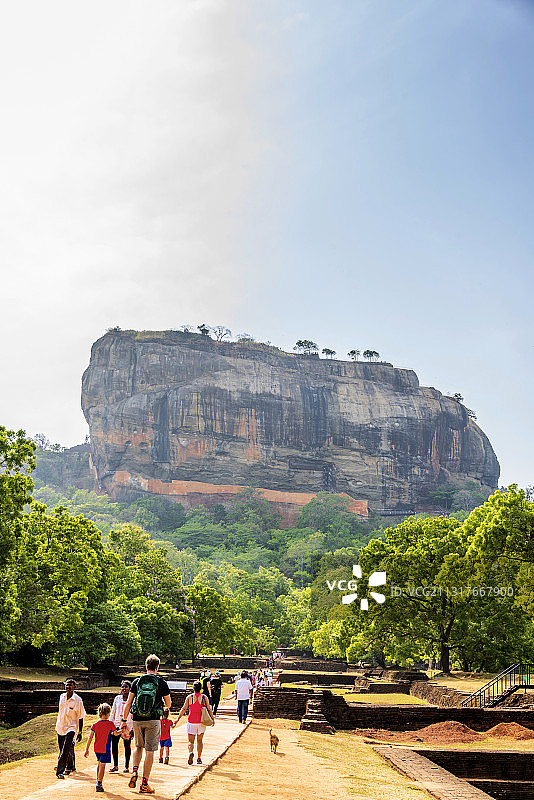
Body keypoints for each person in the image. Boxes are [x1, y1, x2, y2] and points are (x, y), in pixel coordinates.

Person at [120, 654, 172, 795]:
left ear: (146, 666)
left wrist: (124, 721)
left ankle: (134, 770)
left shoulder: (137, 681)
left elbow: (128, 703)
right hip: (153, 719)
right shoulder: (161, 682)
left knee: (138, 746)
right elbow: (168, 704)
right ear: (157, 667)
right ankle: (144, 783)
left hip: (137, 719)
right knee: (150, 751)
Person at [175, 680, 215, 765]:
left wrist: (177, 719)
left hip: (191, 721)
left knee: (190, 741)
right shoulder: (204, 697)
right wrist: (212, 719)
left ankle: (191, 752)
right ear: (201, 688)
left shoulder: (190, 697)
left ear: (193, 688)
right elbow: (209, 709)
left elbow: (184, 709)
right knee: (200, 741)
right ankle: (199, 758)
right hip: (201, 722)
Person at [84, 702, 121, 793]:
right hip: (105, 748)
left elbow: (90, 737)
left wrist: (87, 749)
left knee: (99, 764)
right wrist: (122, 730)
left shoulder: (95, 724)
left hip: (97, 748)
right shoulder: (110, 724)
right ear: (108, 714)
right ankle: (99, 783)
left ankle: (98, 780)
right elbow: (116, 733)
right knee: (102, 765)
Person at [55, 678, 86, 779]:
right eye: (67, 685)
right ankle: (70, 766)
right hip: (61, 726)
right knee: (63, 748)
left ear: (74, 687)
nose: (68, 687)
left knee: (65, 748)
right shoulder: (62, 697)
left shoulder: (77, 700)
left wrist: (80, 732)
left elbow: (81, 716)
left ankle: (60, 771)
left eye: (70, 685)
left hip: (71, 727)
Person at [109, 680, 133, 773]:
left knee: (127, 746)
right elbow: (113, 712)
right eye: (123, 687)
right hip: (117, 724)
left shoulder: (132, 699)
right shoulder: (117, 698)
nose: (124, 688)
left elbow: (134, 714)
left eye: (126, 687)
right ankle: (115, 765)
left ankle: (126, 766)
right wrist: (110, 725)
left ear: (130, 688)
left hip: (128, 725)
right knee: (114, 745)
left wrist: (133, 729)